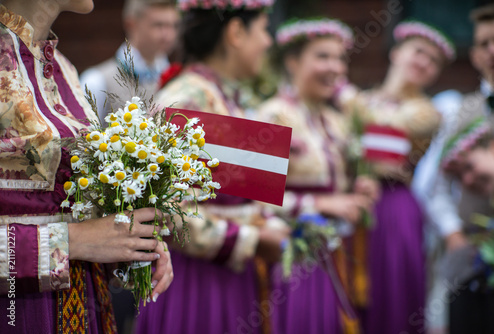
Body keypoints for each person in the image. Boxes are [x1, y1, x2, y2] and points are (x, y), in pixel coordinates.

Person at [0, 1, 173, 333]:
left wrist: (128, 244)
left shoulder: (62, 66)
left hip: (84, 302)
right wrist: (71, 242)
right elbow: (75, 236)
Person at [134, 1, 289, 334]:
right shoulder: (185, 100)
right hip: (197, 286)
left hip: (233, 274)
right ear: (235, 32)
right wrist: (254, 239)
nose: (268, 41)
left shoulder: (227, 97)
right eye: (263, 29)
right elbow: (167, 210)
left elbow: (242, 195)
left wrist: (269, 224)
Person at [258, 18, 377, 333]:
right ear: (293, 61)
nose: (335, 67)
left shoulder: (337, 121)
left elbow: (342, 187)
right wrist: (323, 204)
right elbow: (256, 198)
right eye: (323, 56)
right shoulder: (272, 116)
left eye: (340, 58)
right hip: (289, 258)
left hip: (334, 254)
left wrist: (359, 189)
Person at [337, 20, 453, 334]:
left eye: (433, 61)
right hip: (348, 203)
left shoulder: (427, 113)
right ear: (396, 52)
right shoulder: (356, 100)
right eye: (419, 52)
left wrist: (345, 100)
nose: (424, 62)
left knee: (389, 292)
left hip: (393, 207)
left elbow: (376, 129)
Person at [422, 4, 494, 333]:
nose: (493, 51)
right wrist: (453, 233)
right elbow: (432, 187)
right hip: (471, 261)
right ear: (474, 56)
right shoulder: (458, 111)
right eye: (484, 44)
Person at [80, 0, 180, 125]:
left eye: (174, 26)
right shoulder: (96, 80)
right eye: (158, 25)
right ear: (131, 24)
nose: (169, 35)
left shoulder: (177, 79)